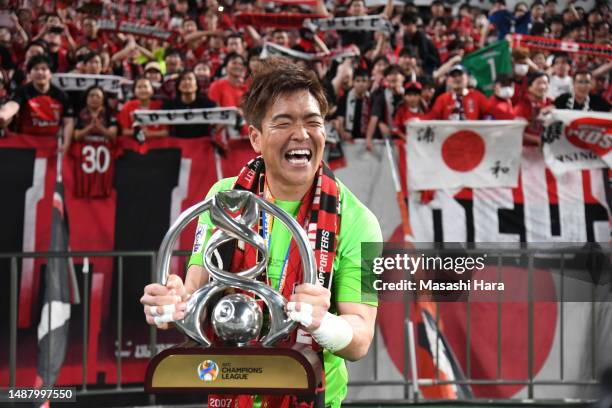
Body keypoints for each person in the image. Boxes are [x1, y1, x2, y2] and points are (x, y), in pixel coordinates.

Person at [140, 58, 381, 408]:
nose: (301, 134)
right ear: (255, 137)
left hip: (310, 399)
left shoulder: (362, 221)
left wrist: (321, 323)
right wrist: (174, 302)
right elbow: (194, 287)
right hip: (228, 391)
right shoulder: (222, 198)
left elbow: (360, 339)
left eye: (313, 122)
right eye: (284, 123)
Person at [0, 54, 74, 148]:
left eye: (44, 69)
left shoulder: (61, 95)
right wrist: (3, 114)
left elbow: (68, 121)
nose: (40, 72)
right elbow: (12, 106)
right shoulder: (22, 91)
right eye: (35, 69)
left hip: (51, 145)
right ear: (29, 73)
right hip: (25, 144)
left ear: (51, 74)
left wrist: (66, 143)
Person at [162, 70, 217, 138]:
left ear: (196, 86)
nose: (187, 82)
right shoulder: (169, 105)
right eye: (183, 79)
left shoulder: (208, 104)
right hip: (176, 142)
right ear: (178, 86)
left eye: (190, 79)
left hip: (202, 143)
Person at [515, 71, 553, 146]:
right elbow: (516, 131)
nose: (542, 87)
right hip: (527, 150)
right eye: (538, 83)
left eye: (545, 83)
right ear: (529, 87)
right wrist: (537, 139)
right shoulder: (521, 107)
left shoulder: (553, 104)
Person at [335, 68, 371, 140]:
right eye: (358, 81)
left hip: (365, 138)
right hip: (348, 138)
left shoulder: (371, 99)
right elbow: (340, 119)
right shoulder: (344, 98)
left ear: (369, 83)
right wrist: (343, 133)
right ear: (353, 82)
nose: (361, 84)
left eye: (364, 81)